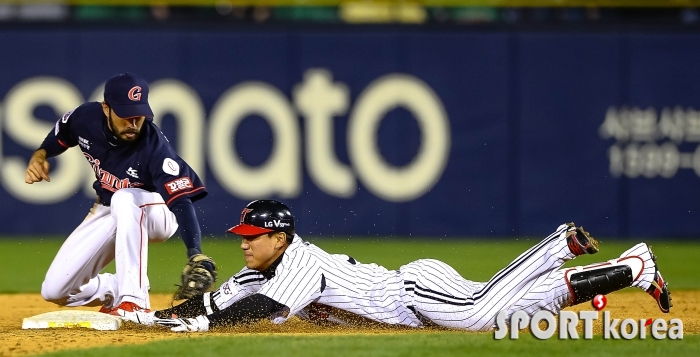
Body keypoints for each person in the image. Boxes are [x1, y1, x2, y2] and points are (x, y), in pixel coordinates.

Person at [122, 199, 672, 332]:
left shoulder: (299, 261)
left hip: (415, 291)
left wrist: (206, 325)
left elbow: (269, 309)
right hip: (419, 307)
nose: (243, 244)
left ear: (280, 237)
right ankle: (634, 269)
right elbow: (218, 301)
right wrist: (157, 318)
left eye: (252, 236)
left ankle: (557, 243)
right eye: (242, 236)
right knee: (524, 312)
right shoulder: (254, 273)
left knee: (482, 313)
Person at [24, 72, 216, 315]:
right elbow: (61, 134)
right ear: (106, 108)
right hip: (110, 208)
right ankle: (116, 289)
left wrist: (195, 252)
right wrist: (40, 155)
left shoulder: (155, 147)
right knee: (55, 290)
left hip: (157, 211)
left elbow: (181, 203)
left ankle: (134, 300)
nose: (133, 123)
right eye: (126, 116)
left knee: (125, 197)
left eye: (139, 116)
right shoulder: (85, 118)